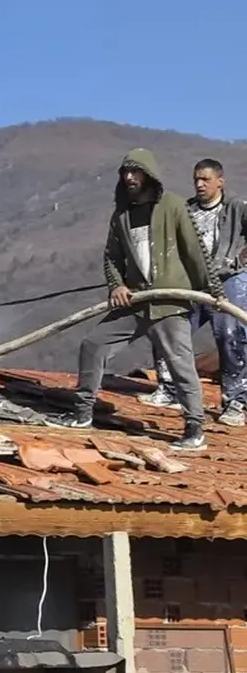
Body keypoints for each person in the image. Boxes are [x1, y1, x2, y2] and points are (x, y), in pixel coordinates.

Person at [56, 147, 223, 451]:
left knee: (180, 363)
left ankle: (194, 428)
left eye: (135, 171)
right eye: (125, 172)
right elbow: (111, 257)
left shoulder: (172, 206)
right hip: (134, 301)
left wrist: (212, 291)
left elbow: (194, 252)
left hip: (169, 302)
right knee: (93, 345)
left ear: (148, 174)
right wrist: (116, 285)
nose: (130, 177)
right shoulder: (122, 215)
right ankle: (82, 413)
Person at [140, 158, 247, 425]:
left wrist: (242, 257)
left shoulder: (237, 208)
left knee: (231, 334)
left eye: (205, 179)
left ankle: (235, 402)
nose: (200, 184)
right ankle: (170, 389)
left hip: (228, 281)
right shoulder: (185, 210)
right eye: (196, 179)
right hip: (190, 283)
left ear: (220, 181)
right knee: (168, 327)